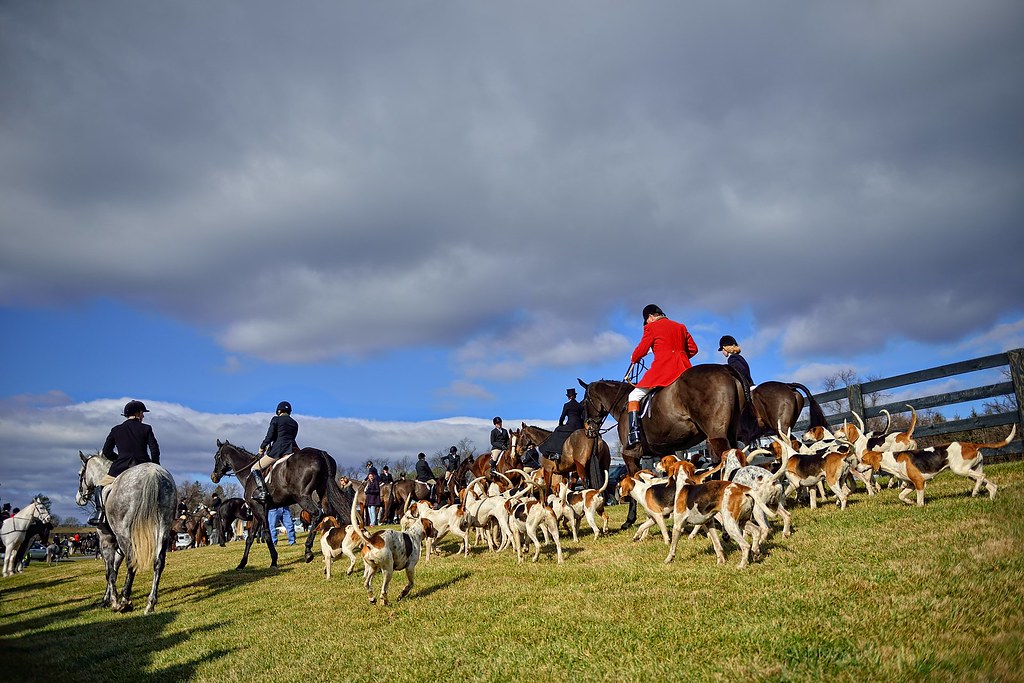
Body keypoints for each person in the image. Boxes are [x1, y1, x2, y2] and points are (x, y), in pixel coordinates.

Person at [624, 304, 698, 447]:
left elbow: (642, 349)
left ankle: (634, 433)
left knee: (633, 396)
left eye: (647, 321)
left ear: (650, 317)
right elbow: (693, 349)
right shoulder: (680, 326)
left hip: (662, 371)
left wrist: (634, 357)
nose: (647, 324)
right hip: (684, 370)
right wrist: (679, 356)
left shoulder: (651, 327)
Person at [88, 399, 161, 526]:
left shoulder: (116, 430)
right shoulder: (146, 428)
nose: (143, 416)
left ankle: (99, 514)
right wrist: (155, 465)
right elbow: (154, 449)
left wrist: (118, 459)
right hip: (143, 465)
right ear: (137, 413)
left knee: (99, 487)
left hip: (120, 468)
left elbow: (106, 451)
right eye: (142, 413)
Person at [252, 401, 298, 504]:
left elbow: (270, 436)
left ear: (279, 411)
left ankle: (262, 492)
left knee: (255, 468)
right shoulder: (295, 423)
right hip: (293, 449)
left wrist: (262, 448)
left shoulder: (276, 419)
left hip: (279, 450)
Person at [537, 388, 586, 460]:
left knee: (557, 430)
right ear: (575, 396)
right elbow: (583, 417)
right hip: (580, 426)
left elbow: (562, 417)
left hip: (571, 426)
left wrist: (560, 424)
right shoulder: (580, 406)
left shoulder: (567, 405)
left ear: (568, 397)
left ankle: (556, 453)